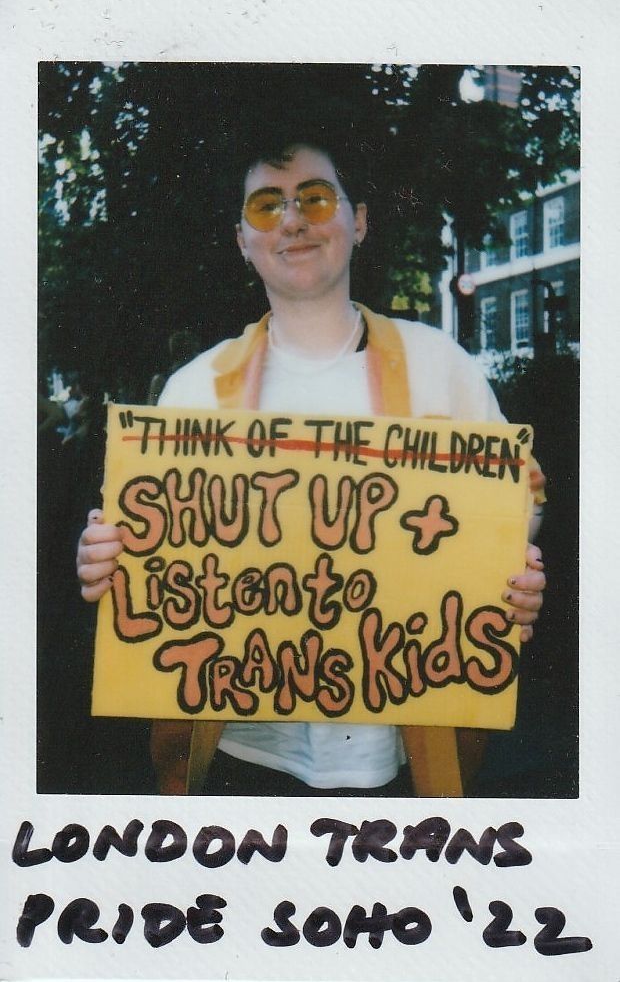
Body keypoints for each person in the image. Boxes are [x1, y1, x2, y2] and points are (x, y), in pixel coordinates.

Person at [77, 131, 546, 798]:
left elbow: (520, 498)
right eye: (267, 206)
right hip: (238, 753)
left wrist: (514, 572)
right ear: (243, 239)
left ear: (359, 221)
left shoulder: (441, 366)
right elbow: (136, 543)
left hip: (402, 759)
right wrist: (103, 556)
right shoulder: (194, 388)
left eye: (316, 198)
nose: (293, 219)